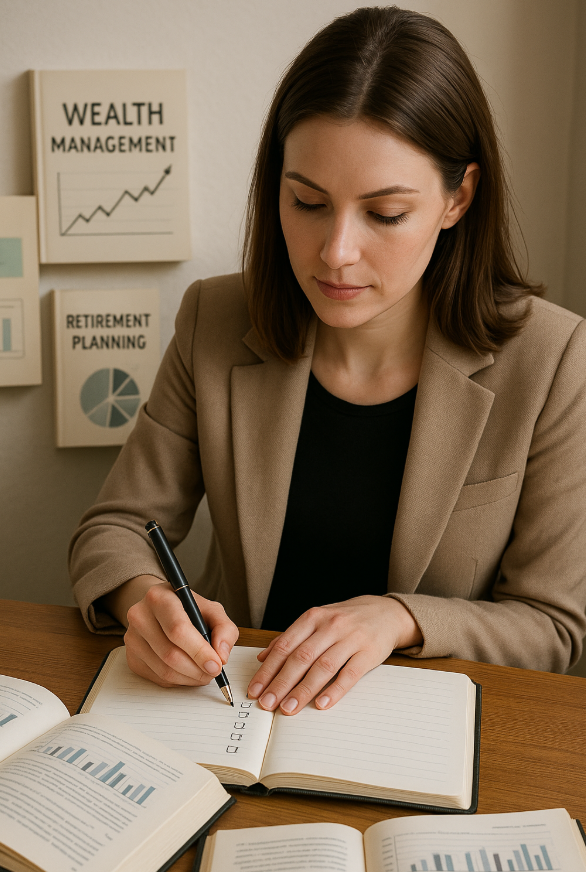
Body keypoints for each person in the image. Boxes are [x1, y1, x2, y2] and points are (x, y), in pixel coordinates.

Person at [70, 6, 586, 717]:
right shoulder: (213, 320)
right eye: (307, 202)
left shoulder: (554, 359)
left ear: (457, 197)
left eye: (384, 214)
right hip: (233, 719)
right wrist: (144, 600)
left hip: (418, 739)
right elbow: (115, 526)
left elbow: (555, 627)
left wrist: (401, 617)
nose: (336, 252)